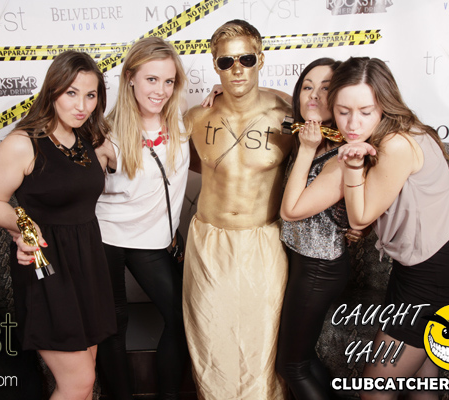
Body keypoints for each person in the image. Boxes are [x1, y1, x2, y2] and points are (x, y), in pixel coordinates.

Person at [330, 57, 449, 399]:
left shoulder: (396, 144)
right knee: (422, 387)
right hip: (422, 270)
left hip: (432, 279)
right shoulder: (406, 130)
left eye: (365, 111)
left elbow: (360, 218)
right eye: (342, 111)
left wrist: (352, 163)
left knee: (375, 391)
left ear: (384, 104)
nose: (352, 123)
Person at [0, 50, 117, 400]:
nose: (81, 105)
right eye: (71, 93)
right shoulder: (23, 143)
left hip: (88, 264)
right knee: (78, 383)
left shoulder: (89, 140)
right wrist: (22, 228)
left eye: (91, 95)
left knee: (86, 378)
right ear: (52, 91)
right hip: (48, 267)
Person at [182, 19, 294, 399]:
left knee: (262, 344)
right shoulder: (196, 118)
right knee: (210, 342)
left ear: (260, 59)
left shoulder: (287, 116)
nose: (237, 70)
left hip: (263, 241)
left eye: (246, 59)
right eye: (226, 62)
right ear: (215, 66)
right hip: (207, 242)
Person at [94, 37, 189, 400]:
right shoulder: (105, 133)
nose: (160, 90)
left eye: (168, 81)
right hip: (106, 236)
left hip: (152, 240)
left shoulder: (182, 122)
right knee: (113, 325)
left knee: (181, 317)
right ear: (130, 77)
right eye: (151, 79)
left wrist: (221, 95)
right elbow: (76, 190)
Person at [276, 57, 358, 400]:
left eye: (325, 88)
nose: (313, 95)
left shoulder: (342, 154)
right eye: (307, 86)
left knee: (291, 365)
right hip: (301, 261)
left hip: (319, 268)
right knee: (304, 359)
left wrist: (307, 149)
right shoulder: (310, 137)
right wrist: (220, 90)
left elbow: (291, 211)